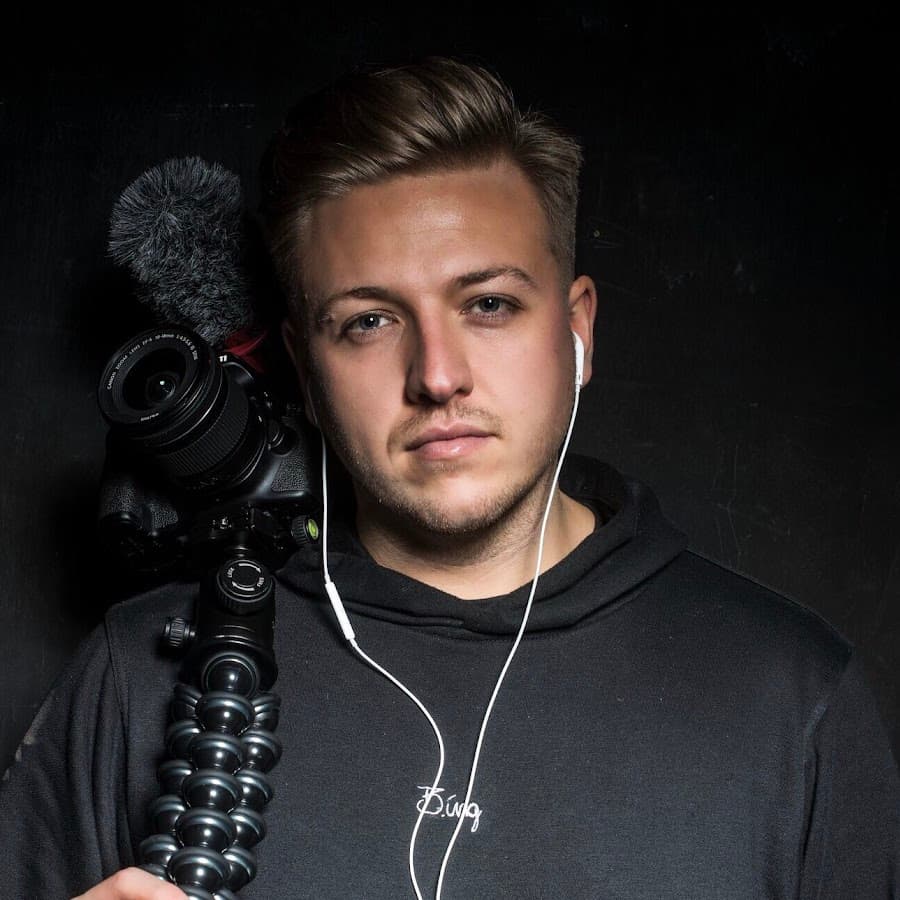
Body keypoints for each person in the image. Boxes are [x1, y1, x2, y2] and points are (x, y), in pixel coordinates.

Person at [1, 57, 898, 900]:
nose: (437, 375)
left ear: (578, 332)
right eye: (368, 322)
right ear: (304, 371)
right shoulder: (140, 673)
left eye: (489, 304)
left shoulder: (794, 695)